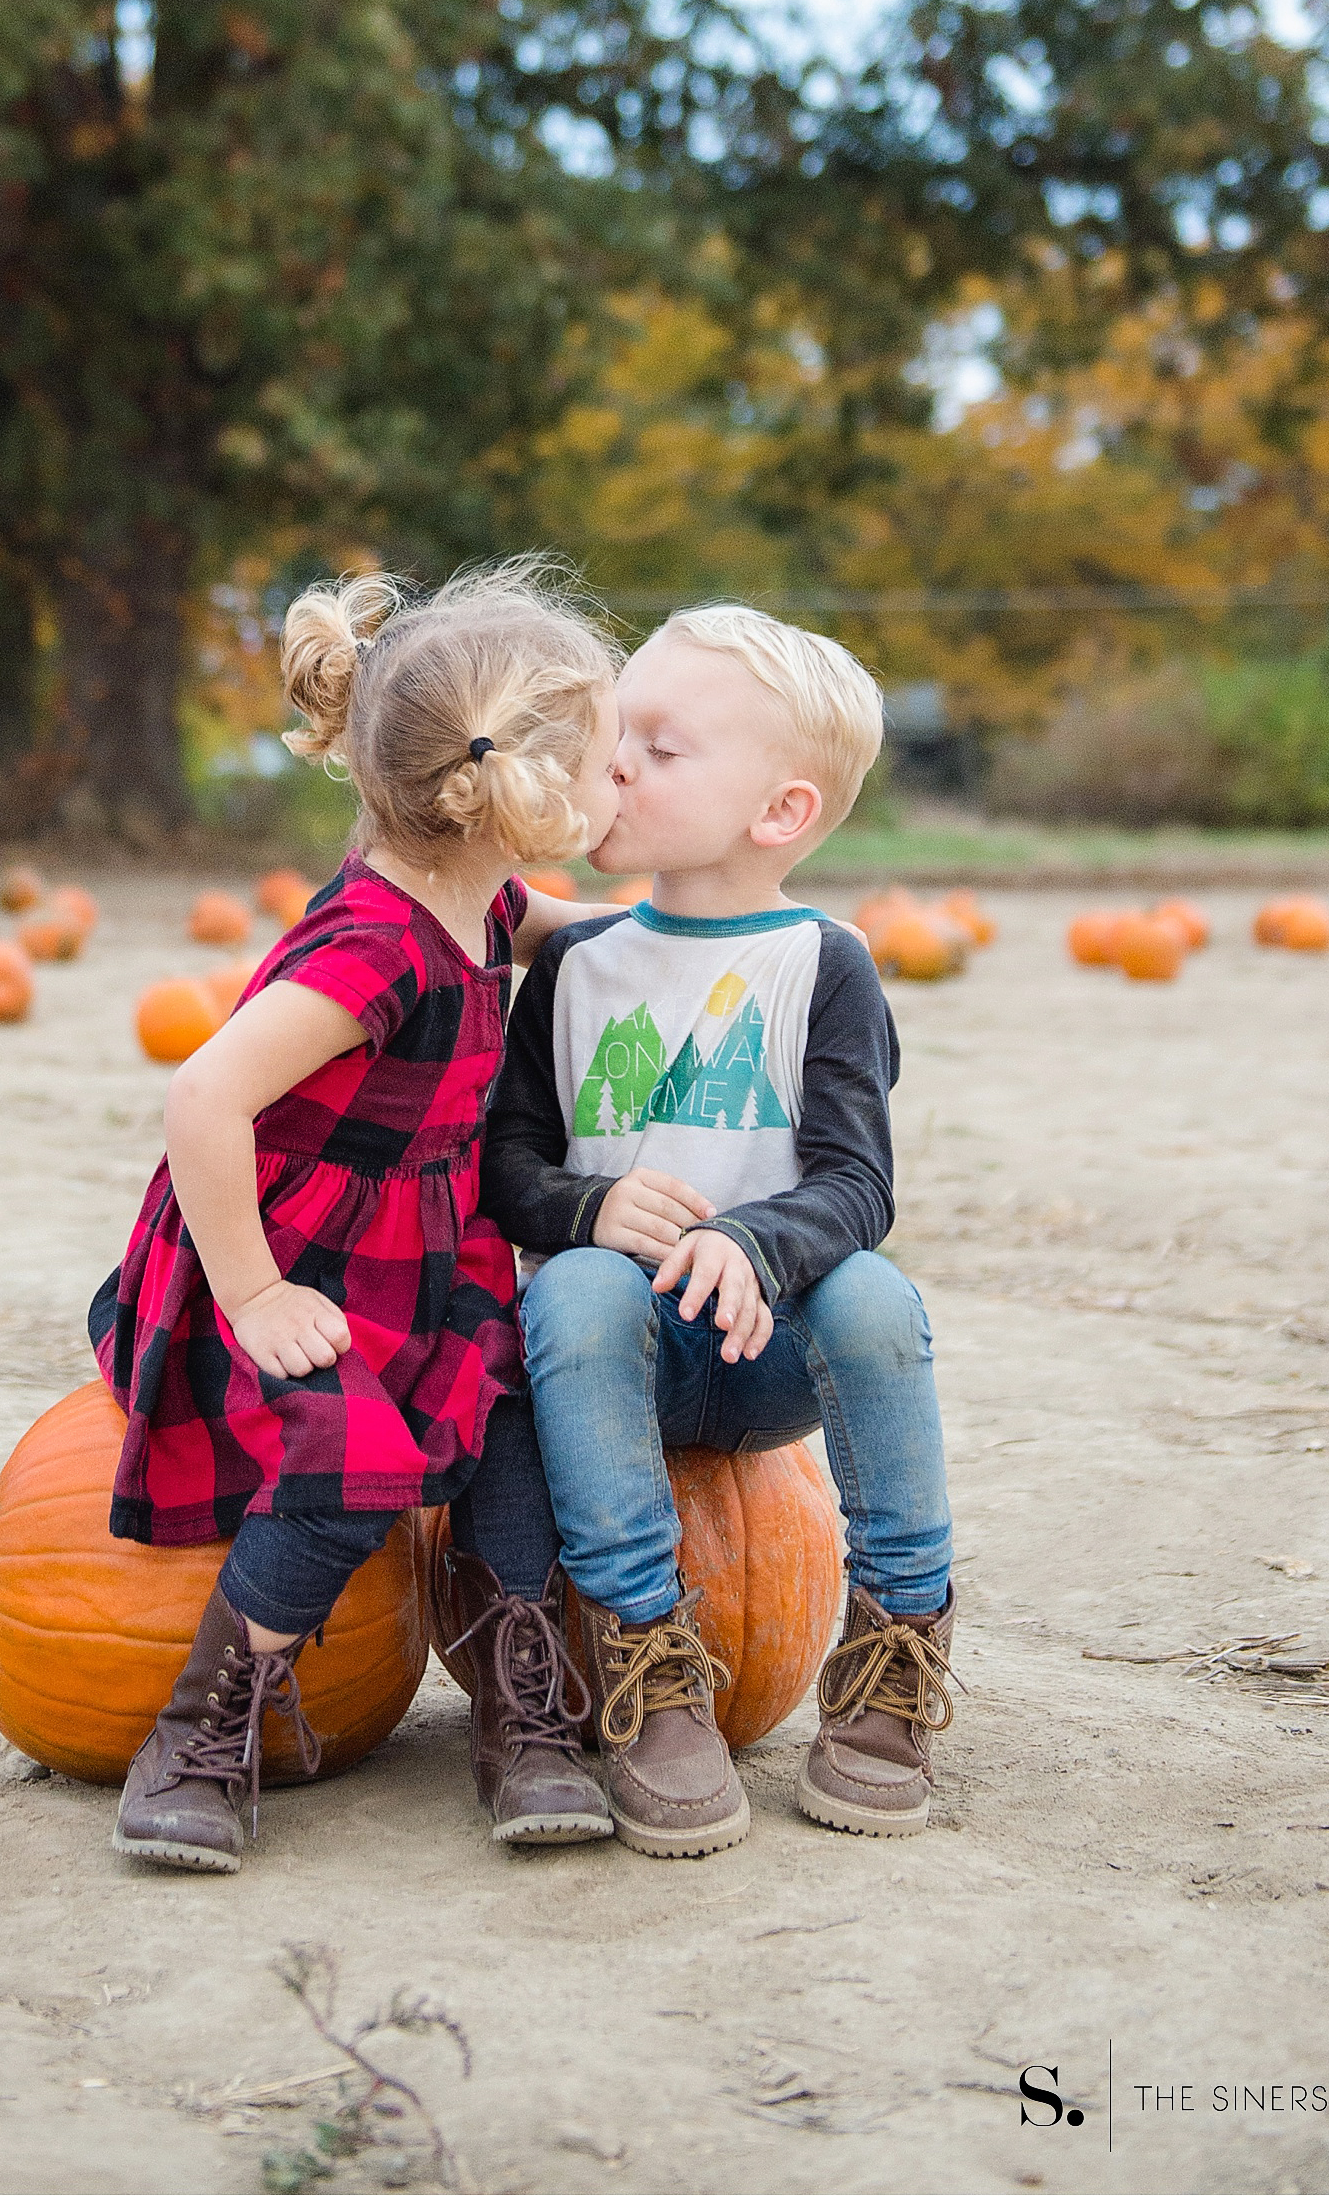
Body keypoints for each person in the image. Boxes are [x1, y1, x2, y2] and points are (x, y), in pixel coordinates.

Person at [91, 562, 623, 1872]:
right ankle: (199, 1728)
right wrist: (258, 1293)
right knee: (345, 1465)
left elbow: (584, 928)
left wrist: (732, 937)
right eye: (610, 760)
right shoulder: (376, 946)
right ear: (519, 784)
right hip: (296, 1259)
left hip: (429, 1257)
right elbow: (205, 1095)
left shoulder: (482, 892)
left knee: (512, 1430)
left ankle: (522, 1707)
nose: (621, 784)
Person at [480, 603, 957, 1854]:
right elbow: (506, 1167)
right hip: (610, 1362)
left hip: (770, 1352)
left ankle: (899, 1641)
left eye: (662, 745)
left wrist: (753, 1242)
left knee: (877, 1297)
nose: (616, 761)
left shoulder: (826, 962)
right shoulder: (574, 966)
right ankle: (650, 1662)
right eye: (613, 734)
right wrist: (588, 1209)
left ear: (781, 812)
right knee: (573, 1285)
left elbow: (858, 1185)